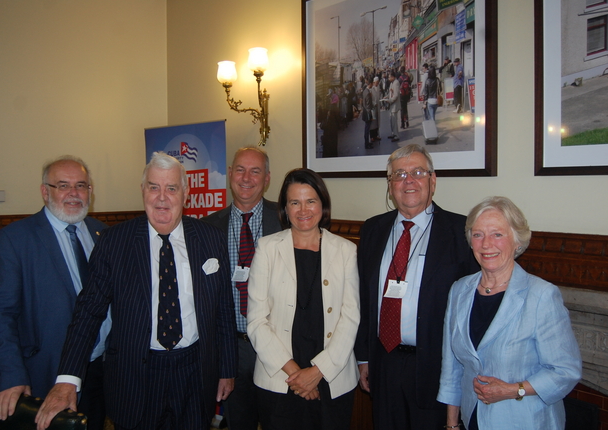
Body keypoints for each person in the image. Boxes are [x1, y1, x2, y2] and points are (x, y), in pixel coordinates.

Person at [36, 152, 237, 430]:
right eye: (154, 187)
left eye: (171, 188)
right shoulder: (113, 242)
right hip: (136, 376)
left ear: (186, 192)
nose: (162, 197)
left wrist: (226, 370)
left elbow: (223, 310)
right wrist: (67, 379)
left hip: (195, 373)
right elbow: (88, 312)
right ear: (143, 190)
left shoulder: (210, 238)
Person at [355, 144, 479, 430]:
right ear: (390, 186)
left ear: (433, 181)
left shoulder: (461, 232)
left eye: (418, 172)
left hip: (435, 366)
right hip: (382, 362)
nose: (408, 181)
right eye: (399, 174)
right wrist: (364, 357)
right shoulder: (372, 230)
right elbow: (363, 297)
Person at [0, 155, 110, 430]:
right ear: (45, 191)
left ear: (90, 191)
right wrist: (11, 374)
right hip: (45, 372)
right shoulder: (15, 239)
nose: (74, 194)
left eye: (81, 185)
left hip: (100, 369)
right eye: (63, 185)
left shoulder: (103, 234)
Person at [438, 196, 582, 430]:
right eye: (478, 234)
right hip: (472, 419)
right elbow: (452, 368)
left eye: (497, 234)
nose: (486, 244)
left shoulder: (542, 296)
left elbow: (566, 371)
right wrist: (452, 424)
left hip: (525, 420)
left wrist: (513, 389)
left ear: (517, 241)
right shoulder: (459, 290)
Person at [247, 168, 360, 430]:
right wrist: (296, 375)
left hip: (332, 379)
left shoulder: (345, 251)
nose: (303, 210)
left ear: (323, 204)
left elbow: (350, 317)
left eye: (311, 201)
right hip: (280, 379)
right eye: (294, 202)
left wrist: (316, 373)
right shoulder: (267, 248)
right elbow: (256, 320)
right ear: (285, 208)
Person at [203, 147, 281, 430]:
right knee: (239, 423)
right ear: (230, 175)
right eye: (240, 170)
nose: (246, 178)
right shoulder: (208, 228)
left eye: (255, 171)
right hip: (231, 349)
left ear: (267, 178)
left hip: (278, 347)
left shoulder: (287, 220)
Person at [384, 71, 400, 142]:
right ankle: (393, 133)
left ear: (393, 77)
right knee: (391, 120)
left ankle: (396, 135)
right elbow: (390, 93)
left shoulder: (396, 83)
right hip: (391, 105)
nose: (388, 78)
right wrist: (386, 97)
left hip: (394, 105)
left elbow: (396, 95)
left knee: (394, 121)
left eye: (389, 77)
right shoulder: (391, 83)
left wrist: (390, 100)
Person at [362, 78, 374, 149]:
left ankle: (367, 142)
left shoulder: (365, 91)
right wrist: (371, 115)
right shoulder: (367, 93)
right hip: (367, 113)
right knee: (367, 129)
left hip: (365, 112)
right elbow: (368, 105)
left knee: (367, 128)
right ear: (370, 84)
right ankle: (366, 143)